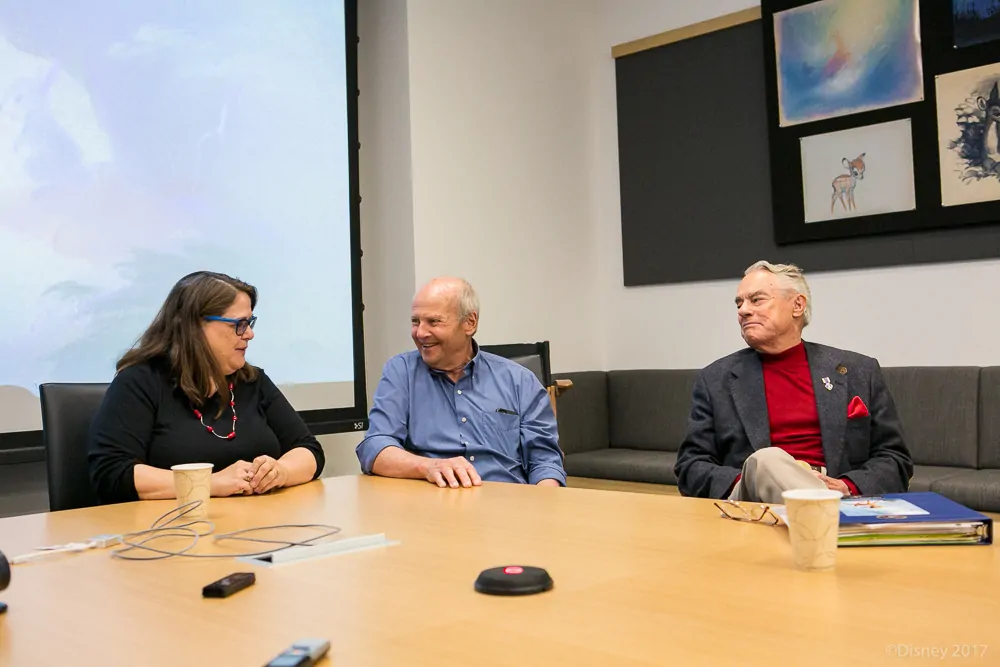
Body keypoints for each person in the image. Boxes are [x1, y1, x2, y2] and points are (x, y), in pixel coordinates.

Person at [673, 261, 912, 504]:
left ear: (797, 305)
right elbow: (691, 465)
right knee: (767, 461)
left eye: (756, 300)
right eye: (739, 303)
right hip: (754, 504)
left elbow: (894, 458)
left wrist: (847, 486)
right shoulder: (715, 379)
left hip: (841, 495)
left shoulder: (858, 371)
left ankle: (818, 512)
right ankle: (824, 515)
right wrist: (751, 479)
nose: (743, 310)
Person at [88, 271, 325, 504]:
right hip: (172, 532)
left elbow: (309, 450)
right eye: (239, 324)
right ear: (195, 327)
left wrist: (280, 471)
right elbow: (111, 474)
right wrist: (209, 483)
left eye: (250, 323)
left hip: (254, 529)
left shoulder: (252, 381)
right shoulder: (140, 381)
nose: (250, 334)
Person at [356, 277, 566, 489]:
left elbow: (545, 462)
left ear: (470, 323)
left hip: (505, 506)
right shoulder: (400, 372)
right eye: (415, 321)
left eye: (434, 322)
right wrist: (429, 467)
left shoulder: (520, 381)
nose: (420, 333)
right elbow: (375, 448)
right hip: (431, 507)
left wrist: (542, 509)